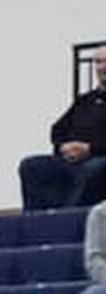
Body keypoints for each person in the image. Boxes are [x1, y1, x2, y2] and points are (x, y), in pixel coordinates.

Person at [18, 44, 106, 213]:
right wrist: (63, 147)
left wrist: (90, 149)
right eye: (98, 62)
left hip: (99, 159)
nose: (102, 67)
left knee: (93, 169)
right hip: (74, 159)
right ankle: (34, 221)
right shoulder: (85, 101)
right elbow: (57, 129)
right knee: (31, 166)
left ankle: (66, 220)